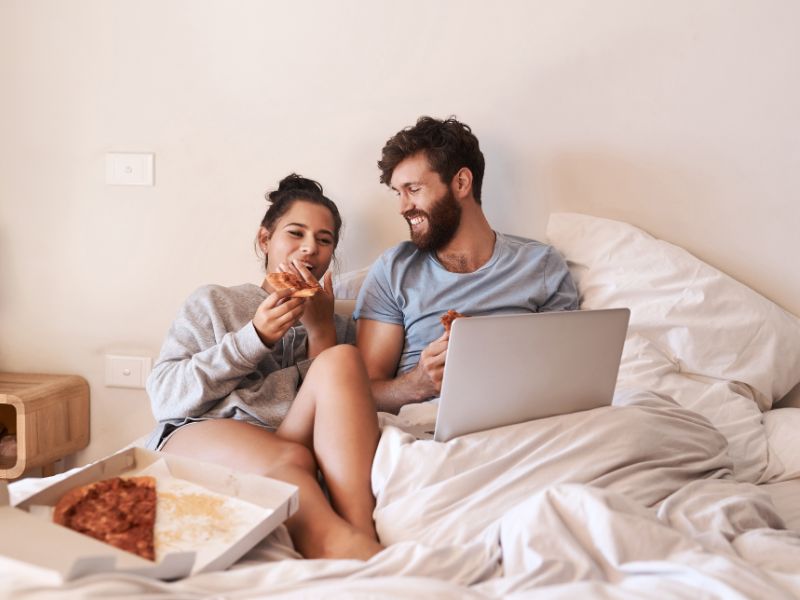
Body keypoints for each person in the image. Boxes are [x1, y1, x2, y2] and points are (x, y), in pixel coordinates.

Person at [145, 174, 383, 561]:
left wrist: (321, 331)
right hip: (205, 433)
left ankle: (361, 532)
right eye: (296, 233)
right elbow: (165, 398)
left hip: (285, 437)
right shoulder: (215, 302)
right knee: (293, 459)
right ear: (264, 240)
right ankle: (334, 543)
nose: (310, 249)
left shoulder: (338, 325)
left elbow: (336, 416)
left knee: (343, 359)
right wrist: (255, 336)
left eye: (324, 241)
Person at [354, 116, 579, 413]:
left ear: (461, 183)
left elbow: (568, 375)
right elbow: (362, 393)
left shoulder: (540, 264)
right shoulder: (393, 271)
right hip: (429, 426)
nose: (403, 207)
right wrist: (418, 383)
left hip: (524, 421)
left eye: (414, 189)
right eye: (399, 192)